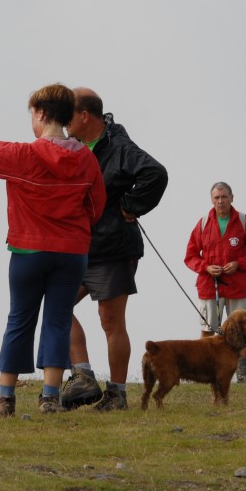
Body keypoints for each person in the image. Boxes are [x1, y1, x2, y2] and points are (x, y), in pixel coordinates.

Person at [0, 86, 105, 416]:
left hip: (28, 250)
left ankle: (5, 399)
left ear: (40, 113)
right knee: (58, 320)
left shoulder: (22, 155)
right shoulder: (86, 158)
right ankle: (49, 398)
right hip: (71, 252)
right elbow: (96, 207)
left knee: (20, 319)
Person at [60, 88, 168, 412]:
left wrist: (129, 206)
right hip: (79, 246)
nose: (62, 121)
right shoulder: (73, 145)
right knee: (56, 305)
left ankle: (117, 394)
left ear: (84, 116)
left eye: (67, 114)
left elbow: (155, 173)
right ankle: (83, 376)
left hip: (113, 247)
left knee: (110, 320)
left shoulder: (119, 145)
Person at [184, 181, 246, 382]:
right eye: (217, 197)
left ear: (232, 198)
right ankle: (202, 372)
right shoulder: (203, 223)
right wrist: (206, 267)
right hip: (210, 286)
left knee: (243, 329)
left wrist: (239, 264)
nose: (220, 201)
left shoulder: (244, 221)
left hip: (239, 286)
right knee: (208, 328)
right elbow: (190, 255)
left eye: (224, 197)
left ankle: (243, 374)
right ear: (212, 200)